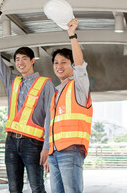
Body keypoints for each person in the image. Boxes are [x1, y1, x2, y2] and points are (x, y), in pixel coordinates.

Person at [0, 19, 55, 193]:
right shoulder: (12, 81)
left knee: (37, 187)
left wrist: (47, 146)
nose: (20, 62)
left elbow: (50, 116)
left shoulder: (45, 84)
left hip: (33, 144)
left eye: (24, 59)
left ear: (33, 60)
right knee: (13, 188)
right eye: (17, 59)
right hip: (11, 141)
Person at [45, 18, 93, 193]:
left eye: (64, 62)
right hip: (54, 153)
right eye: (56, 63)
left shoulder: (79, 85)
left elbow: (80, 67)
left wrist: (72, 35)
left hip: (71, 150)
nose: (59, 66)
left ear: (72, 64)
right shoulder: (56, 92)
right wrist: (48, 152)